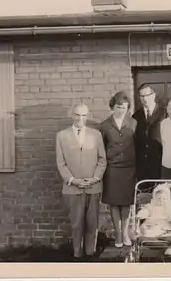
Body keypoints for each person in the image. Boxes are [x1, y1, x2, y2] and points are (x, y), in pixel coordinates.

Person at [55, 103, 107, 261]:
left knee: (92, 222)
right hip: (72, 188)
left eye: (84, 115)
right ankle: (77, 254)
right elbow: (60, 162)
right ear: (72, 115)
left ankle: (90, 253)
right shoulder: (62, 135)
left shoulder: (96, 134)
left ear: (87, 116)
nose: (80, 118)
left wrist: (95, 178)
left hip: (93, 186)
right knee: (77, 223)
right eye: (77, 115)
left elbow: (102, 160)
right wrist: (73, 180)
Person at [98, 91, 137, 248]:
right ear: (112, 107)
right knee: (114, 203)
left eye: (125, 107)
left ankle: (126, 233)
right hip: (112, 168)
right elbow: (100, 148)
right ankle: (118, 235)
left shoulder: (133, 123)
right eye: (119, 106)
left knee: (126, 203)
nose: (122, 110)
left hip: (129, 168)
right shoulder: (105, 125)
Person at [132, 84, 166, 182]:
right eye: (142, 96)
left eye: (147, 95)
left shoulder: (164, 113)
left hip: (161, 162)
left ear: (154, 95)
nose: (145, 99)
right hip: (143, 165)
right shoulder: (136, 116)